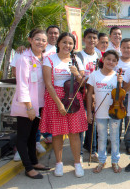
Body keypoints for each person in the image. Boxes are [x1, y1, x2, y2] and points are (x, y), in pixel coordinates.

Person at [40, 32, 87, 178]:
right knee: (58, 133)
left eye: (71, 43)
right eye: (65, 42)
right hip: (55, 98)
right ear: (58, 43)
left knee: (74, 132)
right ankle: (59, 163)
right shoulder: (49, 59)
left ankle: (77, 163)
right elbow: (48, 83)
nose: (68, 45)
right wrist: (59, 103)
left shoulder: (77, 60)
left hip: (73, 97)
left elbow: (83, 82)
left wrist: (77, 74)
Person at [10, 29, 51, 179]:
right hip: (26, 106)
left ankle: (34, 161)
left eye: (43, 40)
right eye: (37, 39)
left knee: (33, 135)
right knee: (23, 136)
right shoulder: (23, 59)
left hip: (39, 104)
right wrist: (29, 107)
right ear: (30, 40)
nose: (40, 42)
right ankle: (28, 167)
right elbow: (22, 85)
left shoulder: (44, 58)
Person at [87, 50, 122, 173]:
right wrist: (89, 112)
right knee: (101, 137)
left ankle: (115, 161)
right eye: (108, 59)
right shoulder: (94, 75)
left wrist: (120, 83)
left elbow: (121, 94)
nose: (110, 62)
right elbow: (89, 93)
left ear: (117, 63)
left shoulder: (118, 76)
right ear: (103, 59)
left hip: (115, 111)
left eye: (114, 60)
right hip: (100, 112)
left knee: (114, 137)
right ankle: (102, 160)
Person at [76, 28, 100, 163]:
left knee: (93, 123)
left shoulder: (99, 56)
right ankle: (78, 152)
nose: (92, 40)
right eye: (89, 37)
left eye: (94, 38)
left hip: (95, 93)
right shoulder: (78, 56)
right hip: (81, 92)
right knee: (81, 122)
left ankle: (93, 150)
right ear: (84, 39)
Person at [116, 38, 130, 155]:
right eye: (124, 47)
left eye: (129, 47)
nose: (126, 50)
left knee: (128, 121)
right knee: (117, 120)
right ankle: (115, 144)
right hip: (117, 96)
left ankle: (128, 144)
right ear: (120, 48)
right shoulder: (116, 61)